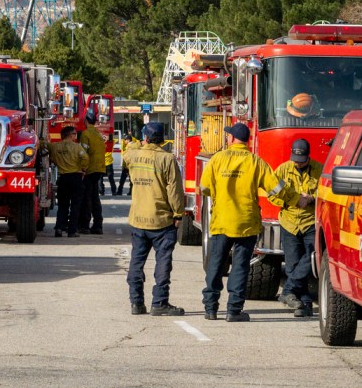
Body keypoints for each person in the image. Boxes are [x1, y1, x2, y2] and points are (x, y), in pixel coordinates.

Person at [199, 121, 283, 322]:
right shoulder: (256, 162)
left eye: (228, 135)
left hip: (221, 222)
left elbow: (204, 188)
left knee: (216, 265)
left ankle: (210, 308)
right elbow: (276, 190)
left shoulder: (218, 159)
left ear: (232, 139)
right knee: (240, 267)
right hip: (246, 223)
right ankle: (233, 311)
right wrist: (296, 199)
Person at [125, 121, 186, 316]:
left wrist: (138, 143)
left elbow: (129, 147)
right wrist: (178, 213)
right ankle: (159, 303)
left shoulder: (133, 155)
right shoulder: (167, 159)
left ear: (145, 137)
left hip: (138, 219)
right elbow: (174, 189)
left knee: (136, 262)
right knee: (163, 263)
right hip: (161, 220)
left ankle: (136, 303)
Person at [270, 138, 323, 317]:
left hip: (310, 221)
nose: (297, 163)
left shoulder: (319, 170)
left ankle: (288, 291)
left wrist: (312, 198)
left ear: (309, 157)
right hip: (289, 222)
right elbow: (271, 192)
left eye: (301, 160)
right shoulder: (283, 170)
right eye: (295, 160)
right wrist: (288, 201)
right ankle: (303, 303)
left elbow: (325, 193)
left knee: (311, 259)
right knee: (293, 264)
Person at [48, 125, 88, 238]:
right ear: (70, 135)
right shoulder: (77, 147)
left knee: (62, 205)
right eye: (75, 134)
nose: (76, 136)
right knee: (75, 205)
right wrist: (83, 169)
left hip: (63, 178)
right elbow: (85, 158)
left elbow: (45, 147)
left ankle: (59, 228)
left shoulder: (55, 147)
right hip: (76, 177)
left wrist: (56, 161)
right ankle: (72, 230)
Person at [78, 122, 107, 234]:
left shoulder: (86, 134)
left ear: (85, 122)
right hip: (99, 169)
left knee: (86, 198)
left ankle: (84, 225)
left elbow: (84, 154)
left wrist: (82, 169)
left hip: (89, 170)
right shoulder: (98, 134)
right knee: (95, 198)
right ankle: (98, 225)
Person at [115, 123, 139, 195]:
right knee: (131, 180)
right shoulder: (135, 145)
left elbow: (125, 156)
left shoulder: (128, 146)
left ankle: (120, 191)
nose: (124, 141)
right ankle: (131, 192)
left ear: (128, 140)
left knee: (122, 180)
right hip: (132, 166)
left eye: (125, 140)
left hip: (127, 166)